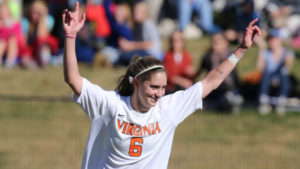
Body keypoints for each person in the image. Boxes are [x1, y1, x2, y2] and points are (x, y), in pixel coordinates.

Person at [62, 2, 260, 168]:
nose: (160, 94)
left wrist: (241, 50)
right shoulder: (111, 105)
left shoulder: (168, 108)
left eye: (163, 88)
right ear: (137, 83)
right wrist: (70, 36)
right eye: (154, 87)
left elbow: (211, 80)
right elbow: (73, 79)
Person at [197, 32, 243, 112]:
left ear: (225, 43)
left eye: (218, 41)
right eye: (213, 41)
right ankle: (227, 102)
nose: (215, 43)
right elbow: (199, 73)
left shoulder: (231, 56)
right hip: (213, 89)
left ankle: (230, 100)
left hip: (229, 87)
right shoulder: (207, 57)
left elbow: (235, 76)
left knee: (229, 94)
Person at [256, 29, 294, 115]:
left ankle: (281, 100)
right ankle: (263, 100)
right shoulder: (265, 53)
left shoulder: (287, 52)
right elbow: (259, 67)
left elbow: (288, 66)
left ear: (280, 40)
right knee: (266, 73)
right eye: (270, 39)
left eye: (274, 39)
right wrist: (261, 48)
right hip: (268, 80)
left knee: (284, 72)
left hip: (281, 80)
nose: (272, 41)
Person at [21, 0, 59, 68]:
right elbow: (24, 43)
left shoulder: (49, 20)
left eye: (37, 12)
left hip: (42, 47)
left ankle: (43, 63)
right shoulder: (25, 22)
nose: (34, 13)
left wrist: (42, 17)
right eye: (32, 10)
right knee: (24, 58)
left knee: (44, 45)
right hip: (31, 49)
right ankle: (34, 65)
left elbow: (41, 36)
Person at [163, 30, 196, 94]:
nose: (174, 43)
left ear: (183, 42)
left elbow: (191, 75)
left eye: (176, 41)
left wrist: (192, 73)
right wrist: (181, 81)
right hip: (171, 88)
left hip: (184, 87)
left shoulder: (186, 55)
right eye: (172, 40)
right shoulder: (168, 55)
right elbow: (168, 74)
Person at [0, 1, 23, 68]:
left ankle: (10, 60)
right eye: (1, 11)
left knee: (11, 40)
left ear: (9, 12)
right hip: (2, 44)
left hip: (14, 45)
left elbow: (18, 36)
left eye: (5, 11)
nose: (3, 13)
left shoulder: (14, 23)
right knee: (2, 43)